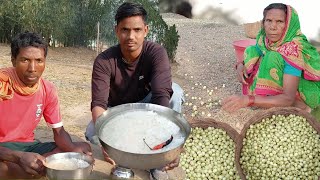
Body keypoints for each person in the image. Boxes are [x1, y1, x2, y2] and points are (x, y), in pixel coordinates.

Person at [84, 1, 184, 178]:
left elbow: (161, 95)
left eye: (137, 30)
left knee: (175, 92)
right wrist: (107, 142)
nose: (131, 36)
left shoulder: (156, 53)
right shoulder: (104, 61)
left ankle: (157, 161)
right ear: (117, 30)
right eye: (125, 30)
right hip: (118, 113)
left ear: (146, 30)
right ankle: (125, 152)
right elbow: (99, 104)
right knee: (93, 132)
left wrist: (166, 143)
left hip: (148, 108)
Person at [0, 31, 92, 179]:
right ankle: (26, 169)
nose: (32, 68)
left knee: (83, 149)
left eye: (39, 60)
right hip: (3, 148)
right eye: (25, 60)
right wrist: (18, 157)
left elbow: (59, 133)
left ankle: (26, 169)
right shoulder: (2, 85)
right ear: (13, 60)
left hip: (27, 146)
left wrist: (76, 153)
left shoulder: (47, 90)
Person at [222, 3, 320, 113]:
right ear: (263, 23)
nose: (273, 27)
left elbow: (288, 98)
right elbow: (253, 54)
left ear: (288, 24)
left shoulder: (293, 49)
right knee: (251, 50)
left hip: (300, 93)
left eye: (279, 22)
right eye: (269, 21)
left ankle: (301, 107)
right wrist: (240, 66)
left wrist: (249, 99)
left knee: (272, 56)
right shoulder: (264, 39)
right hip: (284, 89)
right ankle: (268, 99)